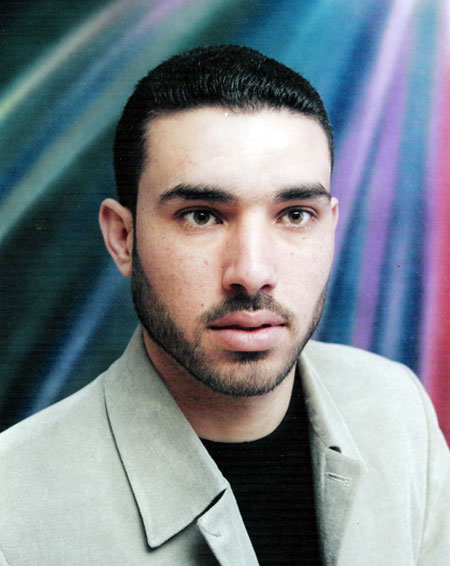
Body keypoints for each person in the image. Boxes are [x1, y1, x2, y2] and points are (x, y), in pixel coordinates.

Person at [0, 45, 449, 566]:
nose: (252, 272)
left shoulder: (398, 409)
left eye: (295, 214)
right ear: (123, 238)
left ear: (331, 227)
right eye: (201, 215)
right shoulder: (13, 505)